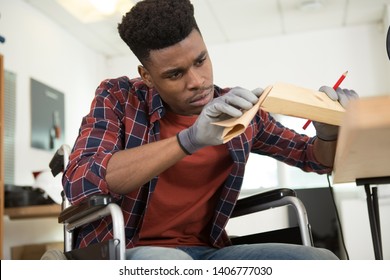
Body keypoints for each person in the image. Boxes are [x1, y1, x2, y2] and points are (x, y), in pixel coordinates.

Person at [63, 0, 357, 260]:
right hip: (129, 249)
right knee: (169, 265)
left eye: (200, 61)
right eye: (175, 74)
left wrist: (328, 131)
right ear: (147, 76)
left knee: (321, 261)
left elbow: (313, 157)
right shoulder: (118, 97)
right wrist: (188, 140)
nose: (197, 81)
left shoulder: (240, 112)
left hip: (209, 251)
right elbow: (80, 182)